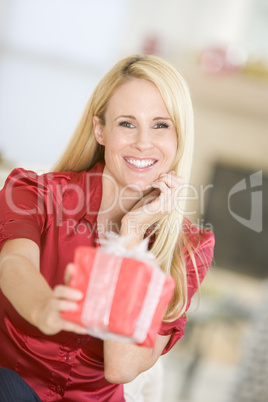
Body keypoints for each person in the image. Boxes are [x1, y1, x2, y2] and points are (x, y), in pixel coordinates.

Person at [0, 54, 214, 401]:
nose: (144, 142)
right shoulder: (35, 193)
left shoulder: (191, 246)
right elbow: (13, 263)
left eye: (161, 125)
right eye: (127, 124)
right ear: (100, 129)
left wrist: (129, 237)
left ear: (179, 136)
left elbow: (121, 368)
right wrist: (43, 308)